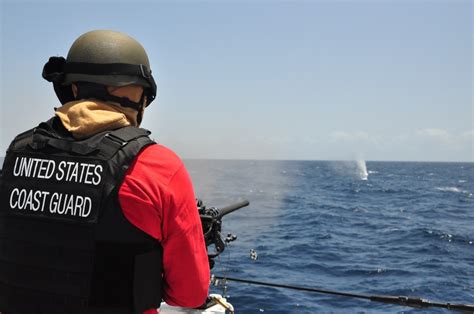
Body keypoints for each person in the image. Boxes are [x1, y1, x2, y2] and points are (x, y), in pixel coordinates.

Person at [0, 30, 210, 314]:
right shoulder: (159, 166)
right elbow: (190, 294)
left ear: (72, 89)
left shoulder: (17, 153)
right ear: (136, 93)